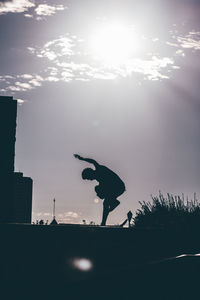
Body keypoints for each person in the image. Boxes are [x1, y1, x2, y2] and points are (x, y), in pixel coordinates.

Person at [74, 154, 126, 226]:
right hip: (116, 187)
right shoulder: (99, 180)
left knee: (99, 191)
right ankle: (112, 205)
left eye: (88, 178)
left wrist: (82, 159)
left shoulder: (99, 169)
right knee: (104, 200)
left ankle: (114, 203)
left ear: (90, 173)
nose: (89, 180)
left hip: (118, 186)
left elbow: (93, 161)